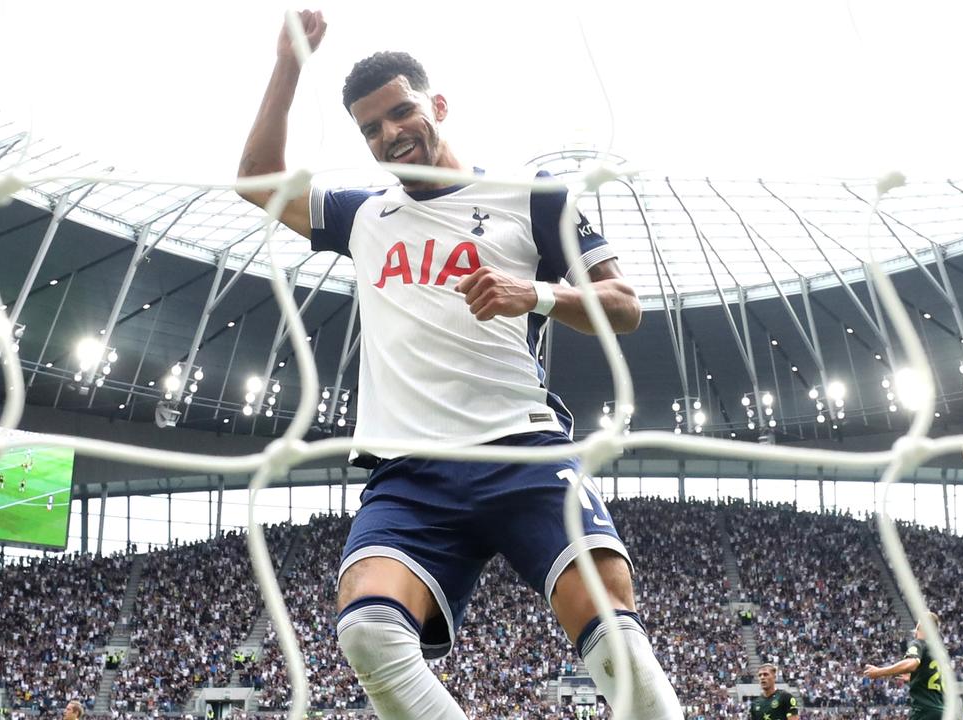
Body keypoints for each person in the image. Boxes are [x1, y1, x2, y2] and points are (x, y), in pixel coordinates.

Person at [236, 11, 679, 719]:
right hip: (412, 472)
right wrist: (290, 62)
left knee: (616, 642)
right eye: (371, 129)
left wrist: (531, 292)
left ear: (437, 105)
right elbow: (256, 180)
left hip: (524, 453)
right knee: (368, 634)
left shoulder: (534, 198)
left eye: (401, 111)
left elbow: (624, 304)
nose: (390, 134)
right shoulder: (363, 216)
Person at [862, 614, 945, 720]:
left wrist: (879, 672)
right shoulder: (940, 652)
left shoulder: (919, 644)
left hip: (925, 711)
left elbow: (912, 663)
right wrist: (915, 678)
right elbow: (937, 678)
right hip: (943, 711)